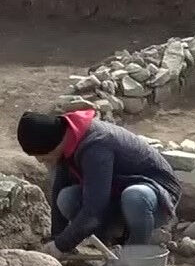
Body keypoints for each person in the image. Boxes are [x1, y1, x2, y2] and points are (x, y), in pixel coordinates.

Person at [17, 108, 181, 256]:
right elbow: (60, 186)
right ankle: (109, 243)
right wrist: (56, 238)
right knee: (66, 198)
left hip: (157, 197)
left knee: (135, 196)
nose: (40, 161)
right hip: (118, 194)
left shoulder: (96, 145)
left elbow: (93, 210)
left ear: (52, 144)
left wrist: (60, 246)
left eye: (41, 156)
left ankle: (134, 258)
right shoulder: (69, 136)